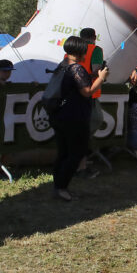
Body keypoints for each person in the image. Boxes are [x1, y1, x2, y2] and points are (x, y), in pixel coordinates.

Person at [50, 36, 109, 201]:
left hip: (59, 115)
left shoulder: (61, 66)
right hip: (74, 116)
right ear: (80, 51)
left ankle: (58, 187)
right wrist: (101, 78)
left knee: (63, 153)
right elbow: (87, 91)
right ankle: (62, 188)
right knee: (76, 153)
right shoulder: (76, 69)